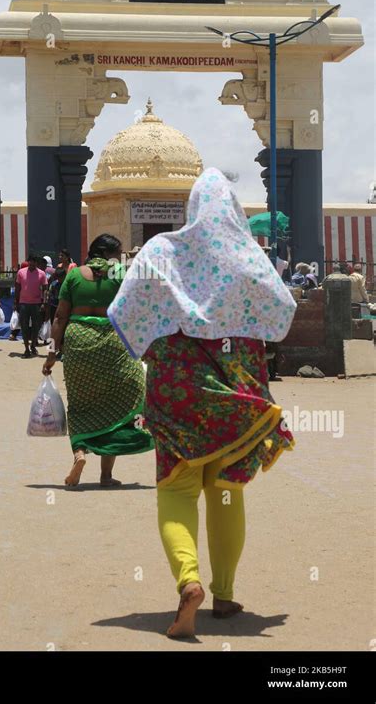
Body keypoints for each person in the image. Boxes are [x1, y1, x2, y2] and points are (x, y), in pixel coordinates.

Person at [108, 168, 297, 639]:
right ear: (234, 209)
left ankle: (188, 581)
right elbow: (284, 313)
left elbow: (123, 310)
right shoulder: (249, 255)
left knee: (176, 490)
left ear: (190, 208)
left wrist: (166, 326)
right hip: (237, 393)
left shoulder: (160, 250)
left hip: (178, 390)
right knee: (227, 492)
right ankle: (226, 593)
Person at [42, 233, 154, 487]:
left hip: (79, 343)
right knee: (117, 404)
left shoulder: (73, 275)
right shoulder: (120, 273)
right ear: (108, 254)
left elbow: (59, 317)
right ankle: (106, 475)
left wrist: (51, 354)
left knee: (81, 404)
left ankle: (80, 454)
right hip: (114, 343)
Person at [14, 253, 48, 358]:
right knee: (24, 326)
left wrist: (44, 303)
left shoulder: (42, 274)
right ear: (28, 262)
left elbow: (46, 289)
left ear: (36, 263)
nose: (32, 263)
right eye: (30, 261)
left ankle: (33, 345)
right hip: (24, 303)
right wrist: (16, 302)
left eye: (34, 262)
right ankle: (26, 349)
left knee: (36, 327)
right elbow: (17, 287)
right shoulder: (21, 272)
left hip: (36, 304)